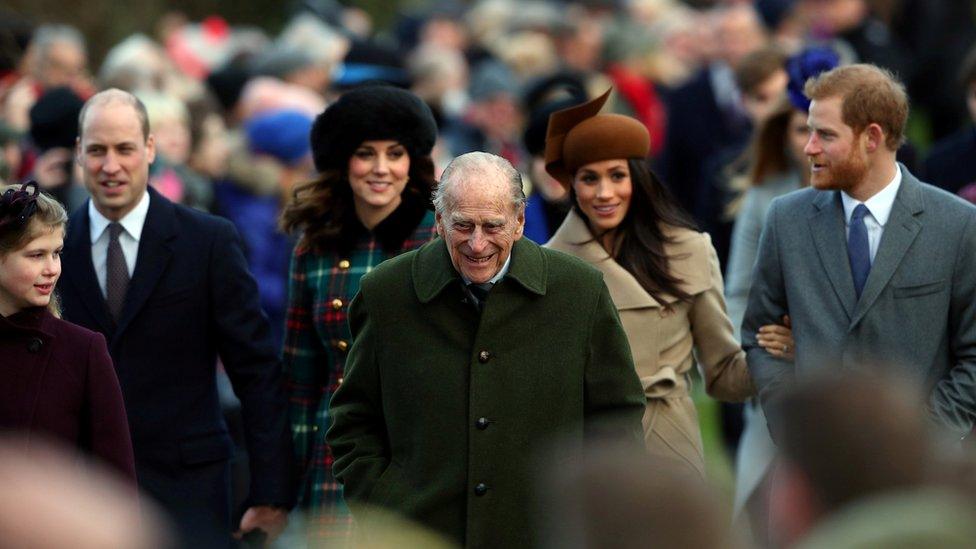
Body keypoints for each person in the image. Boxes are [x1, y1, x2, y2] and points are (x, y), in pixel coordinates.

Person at [326, 151, 645, 548]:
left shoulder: (579, 291)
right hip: (418, 533)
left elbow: (617, 418)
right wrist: (381, 503)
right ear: (440, 223)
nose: (478, 245)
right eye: (463, 225)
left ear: (520, 222)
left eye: (493, 226)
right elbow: (354, 417)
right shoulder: (387, 293)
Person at [59, 89, 295, 548]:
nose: (111, 166)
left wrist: (271, 490)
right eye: (97, 150)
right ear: (78, 153)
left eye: (124, 149)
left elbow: (256, 371)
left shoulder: (206, 241)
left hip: (188, 487)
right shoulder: (54, 248)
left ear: (150, 148)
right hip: (81, 489)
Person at [544, 89, 792, 478]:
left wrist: (775, 355)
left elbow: (724, 373)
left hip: (668, 444)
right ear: (572, 186)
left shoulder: (689, 250)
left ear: (638, 179)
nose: (604, 193)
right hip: (587, 452)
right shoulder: (547, 265)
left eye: (617, 176)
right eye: (589, 179)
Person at [742, 64, 976, 441]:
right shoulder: (787, 219)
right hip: (816, 460)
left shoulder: (959, 225)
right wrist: (795, 424)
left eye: (825, 135)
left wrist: (921, 439)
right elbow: (759, 338)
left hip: (921, 468)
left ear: (872, 137)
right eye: (809, 131)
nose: (808, 146)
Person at [278, 85, 440, 541]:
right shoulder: (316, 245)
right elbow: (299, 377)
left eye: (395, 153)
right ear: (344, 161)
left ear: (414, 162)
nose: (381, 168)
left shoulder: (442, 240)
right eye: (366, 154)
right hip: (334, 454)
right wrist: (282, 480)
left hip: (421, 454)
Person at [727, 46, 839, 538]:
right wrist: (750, 353)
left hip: (843, 377)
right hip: (775, 376)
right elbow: (739, 291)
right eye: (799, 129)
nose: (809, 143)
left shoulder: (861, 198)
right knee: (764, 513)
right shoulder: (763, 195)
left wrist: (809, 340)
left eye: (821, 132)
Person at [0, 181, 135, 483]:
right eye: (36, 255)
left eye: (57, 253)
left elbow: (115, 482)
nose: (52, 268)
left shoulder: (81, 350)